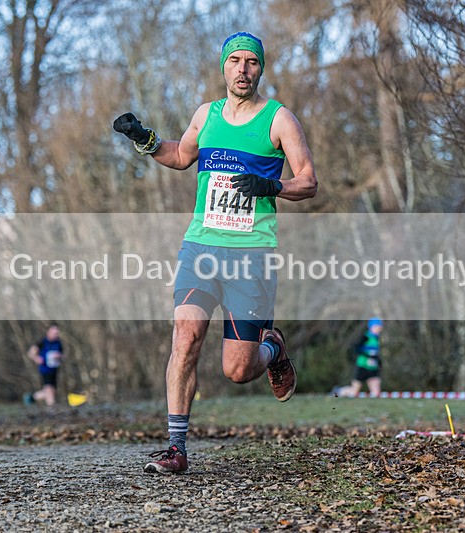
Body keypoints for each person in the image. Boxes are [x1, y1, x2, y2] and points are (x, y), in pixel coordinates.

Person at [113, 31, 318, 474]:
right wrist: (144, 139)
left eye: (252, 62)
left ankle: (274, 350)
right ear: (223, 67)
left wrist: (273, 186)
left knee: (238, 370)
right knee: (184, 339)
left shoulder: (280, 120)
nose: (243, 69)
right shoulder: (206, 115)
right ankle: (176, 448)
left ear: (260, 69)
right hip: (200, 247)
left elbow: (308, 181)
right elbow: (181, 155)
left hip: (252, 255)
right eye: (235, 61)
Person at [334, 318, 383, 398]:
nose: (379, 329)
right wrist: (368, 356)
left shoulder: (377, 339)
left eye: (380, 327)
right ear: (371, 327)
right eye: (377, 326)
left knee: (376, 392)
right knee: (354, 390)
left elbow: (375, 353)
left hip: (373, 368)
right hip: (362, 366)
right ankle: (338, 391)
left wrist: (378, 361)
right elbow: (355, 348)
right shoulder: (365, 337)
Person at [24, 324, 64, 406]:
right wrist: (37, 358)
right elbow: (30, 353)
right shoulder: (42, 342)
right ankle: (52, 407)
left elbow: (62, 356)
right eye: (54, 332)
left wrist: (59, 356)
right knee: (49, 389)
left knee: (52, 391)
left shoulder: (58, 343)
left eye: (57, 333)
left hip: (54, 369)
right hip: (45, 369)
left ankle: (31, 397)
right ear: (48, 332)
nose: (56, 334)